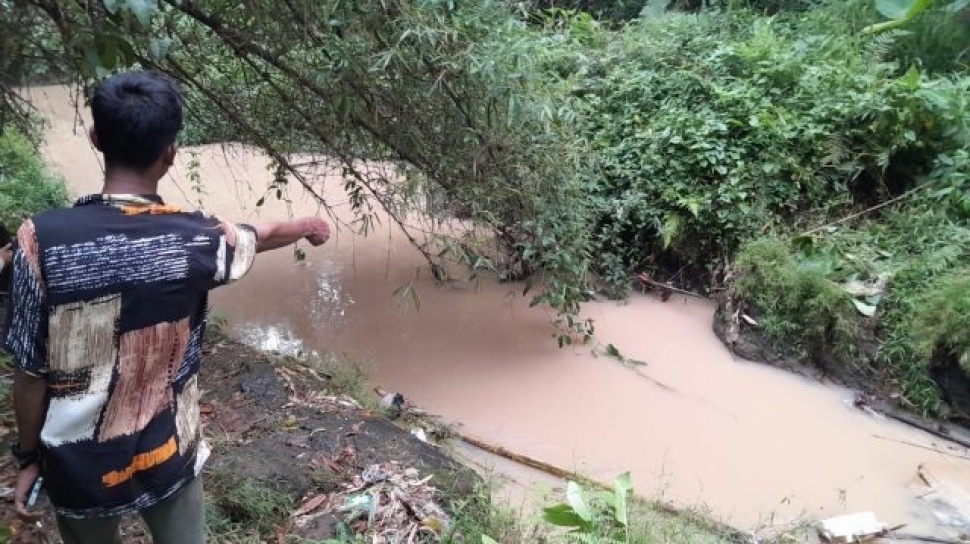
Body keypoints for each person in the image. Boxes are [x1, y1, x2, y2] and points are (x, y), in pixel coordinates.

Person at [4, 70, 330, 544]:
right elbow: (257, 236)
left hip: (79, 466)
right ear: (171, 152)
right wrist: (305, 225)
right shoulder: (195, 237)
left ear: (95, 137)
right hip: (168, 452)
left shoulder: (41, 239)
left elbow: (31, 373)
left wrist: (28, 456)